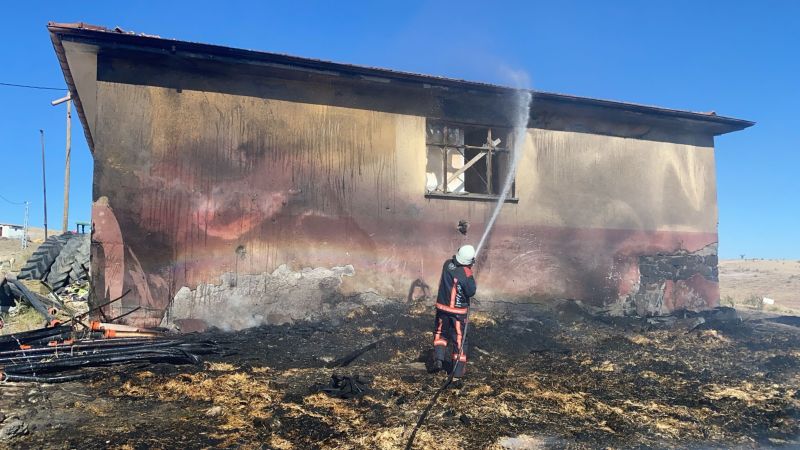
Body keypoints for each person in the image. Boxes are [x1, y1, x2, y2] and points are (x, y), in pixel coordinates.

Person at [432, 244, 476, 377]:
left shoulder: (447, 264)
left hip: (442, 308)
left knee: (440, 332)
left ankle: (438, 358)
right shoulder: (467, 273)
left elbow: (454, 271)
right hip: (458, 313)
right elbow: (471, 291)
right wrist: (469, 270)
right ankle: (457, 372)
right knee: (459, 339)